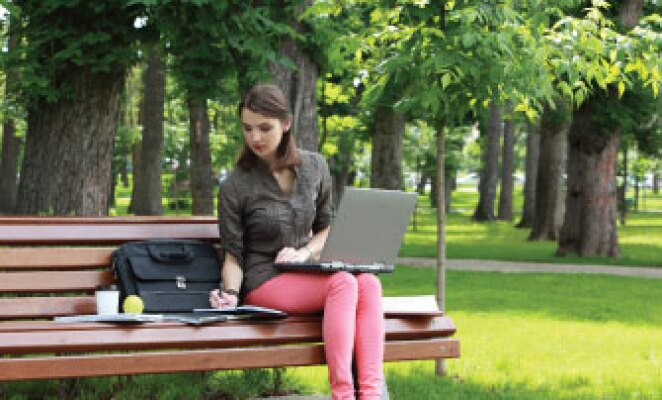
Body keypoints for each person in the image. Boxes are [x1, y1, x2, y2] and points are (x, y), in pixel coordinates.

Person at [209, 84, 385, 400]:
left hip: (305, 272)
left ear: (286, 123)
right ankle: (343, 395)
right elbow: (233, 255)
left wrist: (304, 253)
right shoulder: (236, 184)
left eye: (265, 128)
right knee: (343, 283)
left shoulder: (314, 166)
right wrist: (231, 294)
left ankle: (371, 395)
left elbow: (327, 229)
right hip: (263, 279)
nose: (255, 138)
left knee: (369, 283)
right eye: (248, 128)